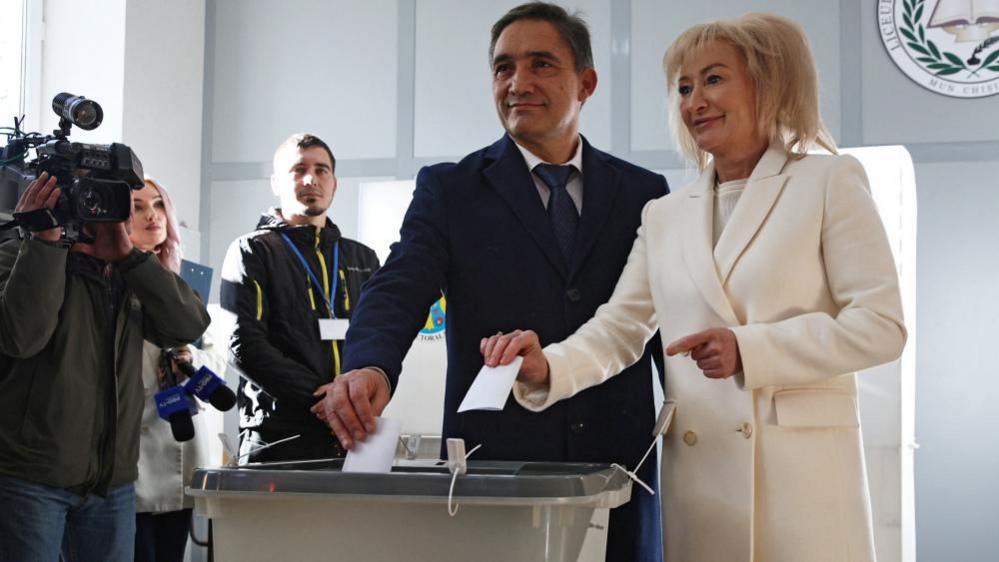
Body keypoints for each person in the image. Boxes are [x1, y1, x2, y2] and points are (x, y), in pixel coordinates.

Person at [480, 13, 907, 562]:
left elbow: (881, 327)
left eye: (713, 79)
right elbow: (620, 328)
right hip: (703, 480)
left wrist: (750, 349)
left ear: (769, 82)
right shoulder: (664, 214)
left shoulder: (829, 183)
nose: (694, 101)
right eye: (683, 87)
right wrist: (549, 367)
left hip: (802, 480)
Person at [318, 3, 668, 560]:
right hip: (495, 472)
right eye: (504, 67)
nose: (518, 83)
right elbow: (401, 282)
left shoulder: (643, 193)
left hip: (619, 468)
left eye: (541, 65)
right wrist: (372, 363)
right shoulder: (451, 190)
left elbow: (660, 322)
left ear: (587, 82)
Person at [0, 173, 210, 561]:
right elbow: (22, 337)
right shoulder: (16, 255)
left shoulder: (129, 272)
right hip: (31, 478)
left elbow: (189, 325)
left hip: (111, 483)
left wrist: (130, 257)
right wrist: (44, 243)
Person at [220, 133, 380, 463]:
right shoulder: (252, 250)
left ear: (335, 184)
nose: (311, 179)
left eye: (322, 170)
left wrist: (351, 397)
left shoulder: (362, 258)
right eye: (298, 169)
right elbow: (243, 344)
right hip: (279, 434)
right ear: (276, 182)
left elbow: (378, 336)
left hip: (354, 432)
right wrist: (321, 398)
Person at [130, 178, 225, 562]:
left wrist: (190, 358)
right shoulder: (109, 277)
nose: (152, 215)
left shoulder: (189, 278)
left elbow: (217, 356)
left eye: (158, 204)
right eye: (137, 206)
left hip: (183, 442)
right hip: (134, 441)